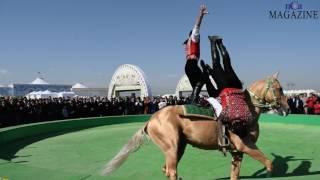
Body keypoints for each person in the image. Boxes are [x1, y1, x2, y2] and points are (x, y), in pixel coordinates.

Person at [202, 36, 253, 153]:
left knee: (227, 63)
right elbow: (219, 118)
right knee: (216, 63)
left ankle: (220, 43)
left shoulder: (248, 117)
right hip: (225, 88)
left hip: (237, 86)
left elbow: (250, 119)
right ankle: (212, 42)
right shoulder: (228, 116)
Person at [183, 5, 217, 105]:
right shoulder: (194, 37)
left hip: (188, 66)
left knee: (195, 87)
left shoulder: (189, 41)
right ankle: (195, 101)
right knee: (203, 78)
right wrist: (201, 14)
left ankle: (194, 102)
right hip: (192, 64)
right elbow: (197, 26)